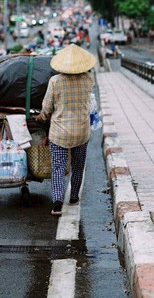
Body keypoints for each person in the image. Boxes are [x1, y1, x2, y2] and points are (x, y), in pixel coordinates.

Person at [36, 44, 96, 216]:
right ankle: (74, 197)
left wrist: (41, 117)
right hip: (81, 131)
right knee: (78, 166)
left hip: (59, 133)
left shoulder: (55, 81)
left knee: (58, 168)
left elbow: (47, 109)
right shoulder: (89, 80)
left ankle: (57, 203)